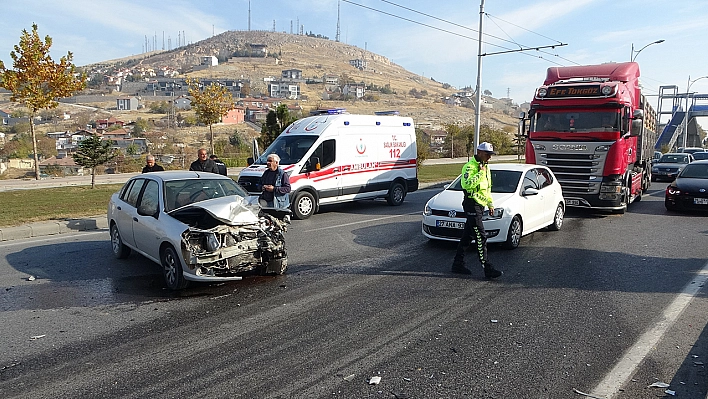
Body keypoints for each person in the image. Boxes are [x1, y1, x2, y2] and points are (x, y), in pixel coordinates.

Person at [451, 142, 503, 279]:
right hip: (471, 204)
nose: (489, 158)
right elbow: (466, 184)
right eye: (487, 155)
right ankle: (487, 267)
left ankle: (457, 264)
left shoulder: (486, 167)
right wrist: (480, 173)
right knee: (481, 236)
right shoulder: (470, 167)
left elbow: (487, 188)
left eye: (490, 155)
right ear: (479, 152)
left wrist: (490, 204)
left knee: (467, 236)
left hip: (481, 205)